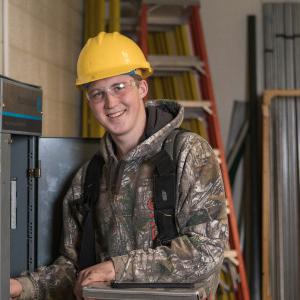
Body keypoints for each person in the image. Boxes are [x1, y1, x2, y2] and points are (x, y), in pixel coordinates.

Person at [10, 32, 228, 300]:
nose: (110, 103)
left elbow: (206, 251)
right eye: (97, 93)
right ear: (89, 102)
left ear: (142, 88)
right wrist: (21, 287)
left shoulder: (188, 154)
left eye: (119, 87)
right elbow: (75, 269)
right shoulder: (88, 178)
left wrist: (117, 268)